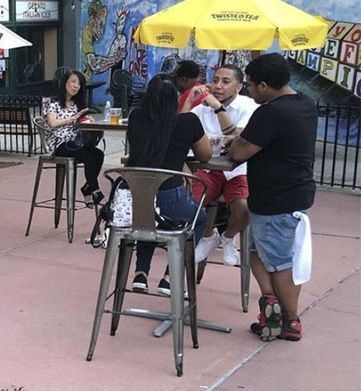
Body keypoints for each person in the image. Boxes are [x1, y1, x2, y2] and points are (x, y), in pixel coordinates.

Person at [227, 53, 316, 342]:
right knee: (255, 252)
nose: (249, 91)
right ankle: (270, 302)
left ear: (264, 86)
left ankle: (291, 321)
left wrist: (234, 143)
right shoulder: (304, 104)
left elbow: (240, 151)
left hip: (275, 197)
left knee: (279, 261)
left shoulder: (270, 112)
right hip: (292, 191)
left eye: (250, 86)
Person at [126, 74, 211, 296]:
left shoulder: (135, 118)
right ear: (175, 98)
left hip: (136, 197)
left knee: (149, 220)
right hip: (170, 196)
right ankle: (169, 276)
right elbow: (205, 154)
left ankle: (140, 274)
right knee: (199, 218)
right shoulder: (188, 122)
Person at [190, 64, 257, 267]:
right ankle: (208, 235)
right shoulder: (202, 108)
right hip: (208, 168)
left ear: (238, 87)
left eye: (225, 81)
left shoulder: (249, 107)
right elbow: (180, 128)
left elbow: (238, 139)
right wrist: (189, 102)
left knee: (243, 208)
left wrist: (219, 109)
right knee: (190, 204)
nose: (218, 86)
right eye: (215, 80)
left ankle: (228, 237)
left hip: (238, 169)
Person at [44, 69, 105, 205]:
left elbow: (79, 124)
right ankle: (94, 190)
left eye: (79, 84)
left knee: (98, 154)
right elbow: (52, 123)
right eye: (73, 82)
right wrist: (72, 119)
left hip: (75, 142)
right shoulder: (54, 104)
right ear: (65, 83)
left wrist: (86, 121)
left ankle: (87, 187)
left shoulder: (76, 105)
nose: (76, 86)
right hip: (59, 144)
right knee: (87, 156)